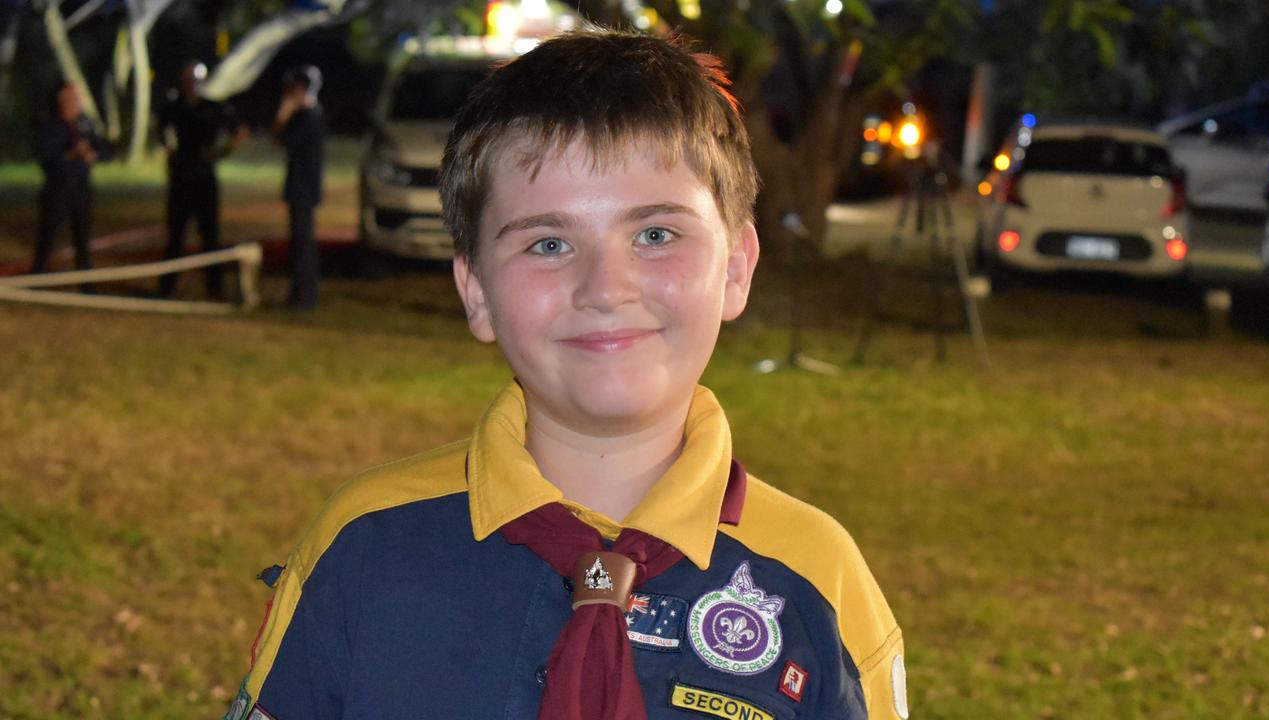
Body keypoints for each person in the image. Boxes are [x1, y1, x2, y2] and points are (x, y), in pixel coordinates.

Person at [223, 31, 907, 720]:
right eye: (548, 244)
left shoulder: (822, 581)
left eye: (656, 235)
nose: (604, 288)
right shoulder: (363, 546)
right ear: (477, 292)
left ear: (734, 268)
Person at [155, 61, 247, 299]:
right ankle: (167, 287)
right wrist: (169, 151)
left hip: (204, 177)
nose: (189, 85)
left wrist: (220, 153)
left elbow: (238, 131)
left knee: (210, 235)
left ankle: (214, 289)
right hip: (180, 176)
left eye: (192, 81)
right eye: (185, 80)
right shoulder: (173, 108)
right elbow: (161, 132)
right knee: (175, 235)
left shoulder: (212, 108)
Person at [31, 82, 109, 281]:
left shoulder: (86, 123)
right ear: (61, 99)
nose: (76, 102)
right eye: (72, 97)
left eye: (78, 98)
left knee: (83, 237)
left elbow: (102, 148)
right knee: (48, 236)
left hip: (81, 187)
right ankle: (36, 278)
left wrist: (93, 154)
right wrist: (70, 154)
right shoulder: (50, 124)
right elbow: (45, 155)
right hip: (58, 188)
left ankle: (85, 283)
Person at [271, 65, 324, 310]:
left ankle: (305, 297)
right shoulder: (308, 115)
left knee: (303, 244)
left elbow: (281, 140)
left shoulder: (310, 116)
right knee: (299, 243)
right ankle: (299, 294)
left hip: (304, 189)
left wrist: (283, 113)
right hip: (300, 188)